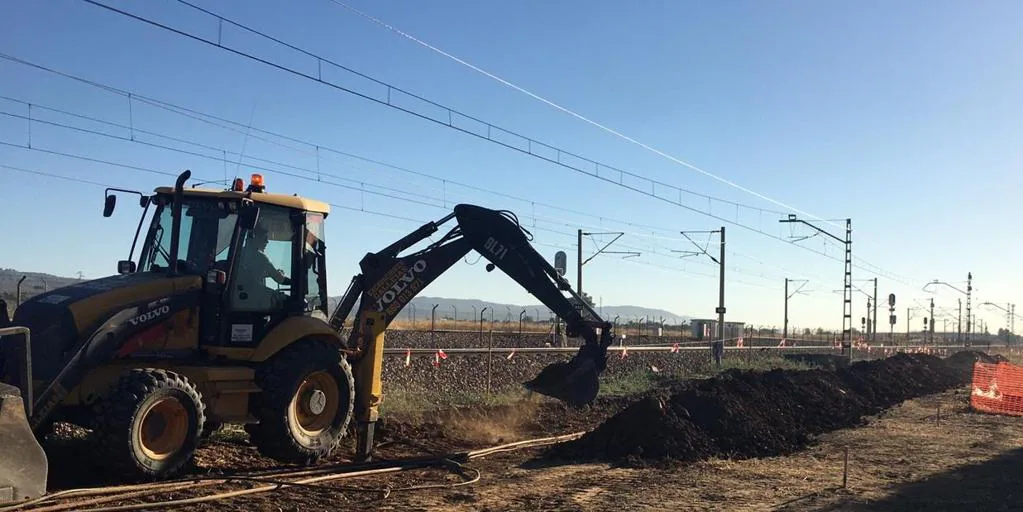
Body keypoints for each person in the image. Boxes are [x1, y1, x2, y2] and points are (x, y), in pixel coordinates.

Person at [233, 224, 291, 309]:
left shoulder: (239, 253)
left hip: (239, 298)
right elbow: (280, 280)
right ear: (255, 238)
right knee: (289, 302)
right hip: (255, 299)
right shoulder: (260, 257)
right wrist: (296, 282)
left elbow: (249, 275)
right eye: (265, 239)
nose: (267, 242)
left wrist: (267, 274)